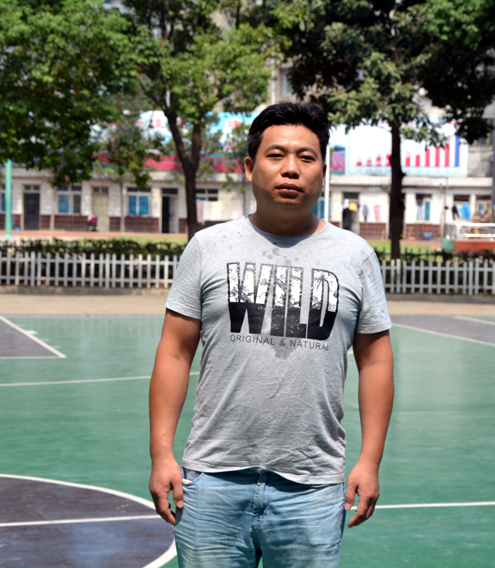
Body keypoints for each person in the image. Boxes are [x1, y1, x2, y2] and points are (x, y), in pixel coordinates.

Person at [148, 101, 394, 567]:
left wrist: (370, 460)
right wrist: (161, 454)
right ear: (249, 167)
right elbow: (175, 352)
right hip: (212, 479)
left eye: (306, 157)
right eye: (276, 155)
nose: (291, 169)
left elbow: (376, 360)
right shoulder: (208, 247)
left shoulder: (355, 256)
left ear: (324, 172)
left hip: (312, 485)